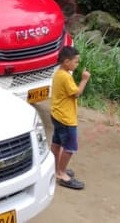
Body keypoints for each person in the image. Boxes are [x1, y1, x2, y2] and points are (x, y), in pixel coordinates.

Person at [51, 45, 91, 190]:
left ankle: (55, 169)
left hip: (56, 114)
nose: (77, 64)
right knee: (69, 147)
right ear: (67, 62)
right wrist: (84, 80)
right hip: (66, 118)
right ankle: (61, 174)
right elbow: (76, 93)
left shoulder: (59, 73)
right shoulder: (66, 77)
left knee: (56, 143)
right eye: (76, 62)